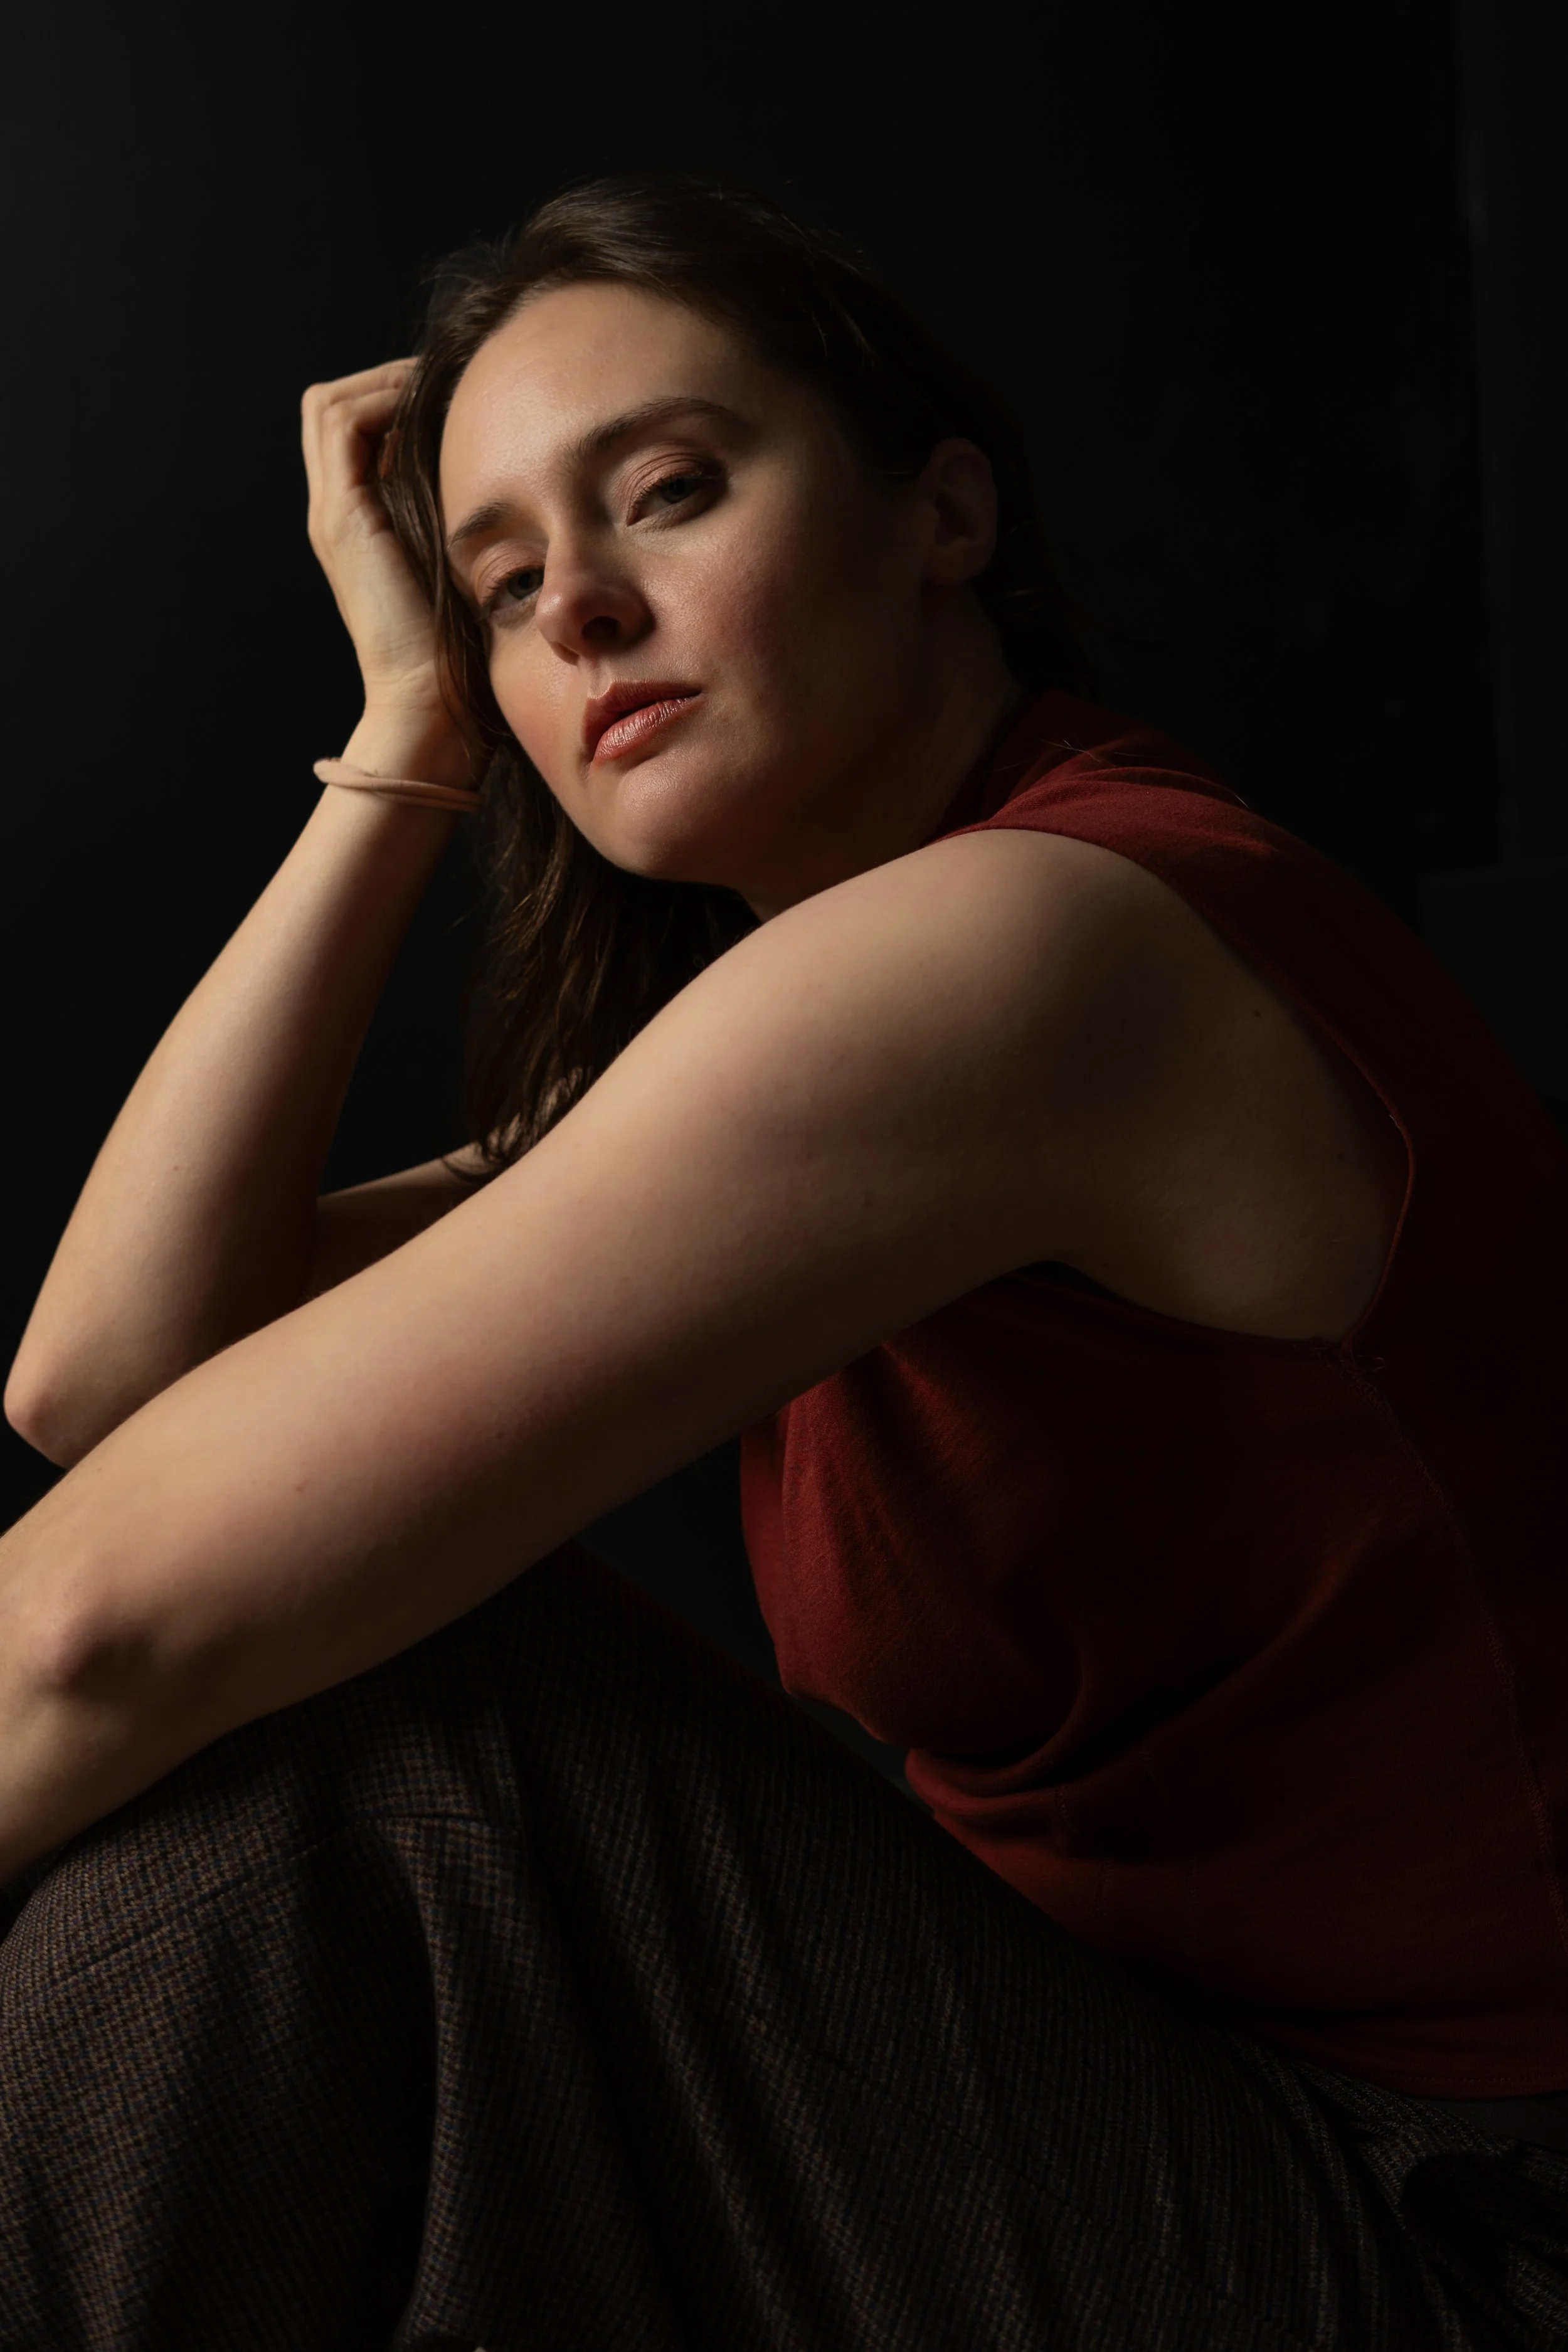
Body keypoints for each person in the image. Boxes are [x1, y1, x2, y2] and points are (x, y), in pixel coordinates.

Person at [1, 174, 1565, 2352]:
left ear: (940, 512)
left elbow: (91, 1616)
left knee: (371, 1683)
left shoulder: (1020, 953)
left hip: (1443, 2238)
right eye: (501, 585)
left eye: (667, 491)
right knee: (241, 1793)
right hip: (1135, 2113)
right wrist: (404, 733)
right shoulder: (806, 1030)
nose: (578, 616)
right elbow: (110, 1378)